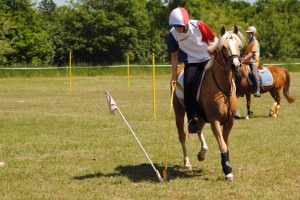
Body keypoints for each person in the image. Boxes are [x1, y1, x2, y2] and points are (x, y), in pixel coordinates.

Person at [166, 7, 218, 133]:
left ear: (186, 23)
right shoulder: (172, 35)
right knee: (188, 86)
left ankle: (231, 106)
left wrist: (213, 50)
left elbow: (215, 39)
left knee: (227, 75)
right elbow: (174, 56)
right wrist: (173, 77)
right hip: (192, 62)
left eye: (179, 26)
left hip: (208, 57)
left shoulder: (199, 25)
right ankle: (191, 119)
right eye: (175, 26)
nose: (177, 29)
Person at [241, 26, 261, 97]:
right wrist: (242, 57)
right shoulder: (249, 42)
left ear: (253, 33)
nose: (248, 34)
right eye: (248, 33)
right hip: (247, 61)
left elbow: (252, 53)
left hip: (253, 62)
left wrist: (245, 58)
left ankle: (258, 90)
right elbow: (246, 52)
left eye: (250, 33)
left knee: (254, 73)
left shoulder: (255, 42)